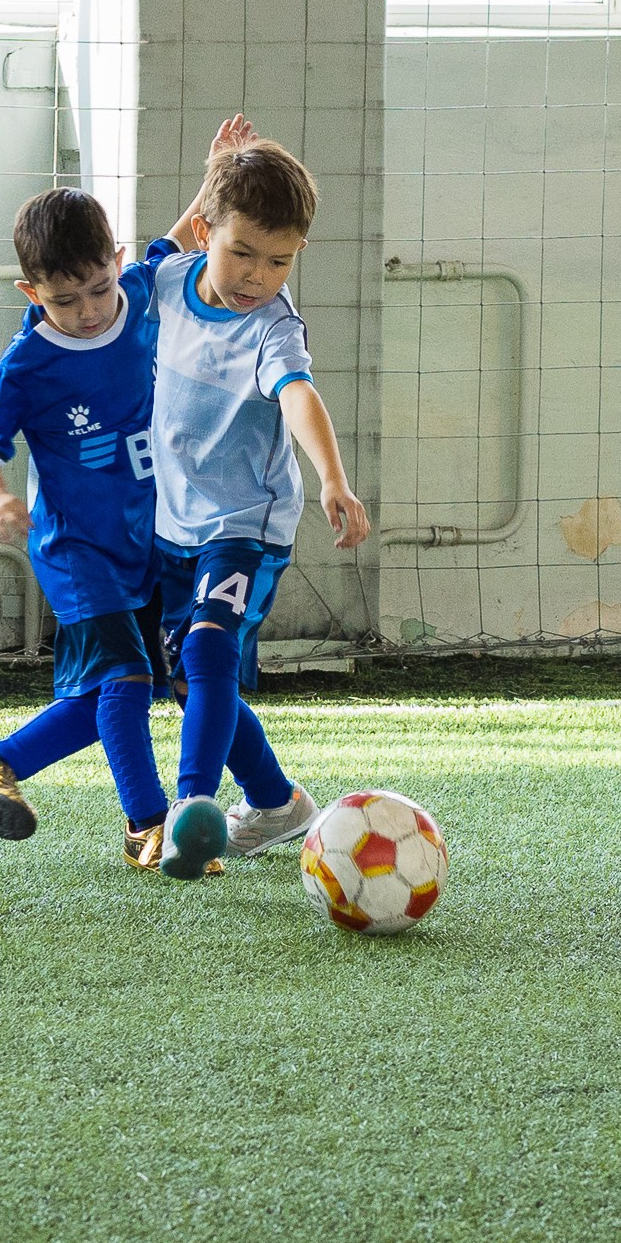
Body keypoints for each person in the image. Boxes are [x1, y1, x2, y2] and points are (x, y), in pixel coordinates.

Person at [0, 119, 252, 872]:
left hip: (149, 537)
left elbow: (181, 237)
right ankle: (150, 827)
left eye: (97, 288)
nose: (87, 309)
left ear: (116, 264)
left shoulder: (140, 292)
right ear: (31, 292)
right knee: (127, 677)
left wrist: (216, 172)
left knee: (118, 693)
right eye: (65, 298)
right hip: (79, 549)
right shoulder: (28, 364)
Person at [149, 139, 370, 879]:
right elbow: (147, 262)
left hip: (249, 523)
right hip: (172, 522)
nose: (257, 277)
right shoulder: (167, 282)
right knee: (186, 676)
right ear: (207, 227)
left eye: (280, 261)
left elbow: (299, 395)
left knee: (209, 649)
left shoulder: (274, 325)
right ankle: (277, 804)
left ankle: (191, 811)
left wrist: (333, 478)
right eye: (243, 253)